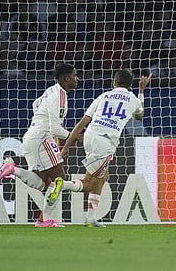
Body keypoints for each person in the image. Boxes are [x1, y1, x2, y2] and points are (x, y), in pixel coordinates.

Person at [48, 69, 151, 227]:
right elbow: (140, 116)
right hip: (105, 142)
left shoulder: (104, 96)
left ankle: (91, 218)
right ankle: (62, 184)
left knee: (103, 178)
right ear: (130, 85)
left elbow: (81, 124)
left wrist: (65, 147)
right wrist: (141, 91)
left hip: (89, 136)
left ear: (114, 82)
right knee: (90, 183)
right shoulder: (133, 99)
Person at [0, 63, 79, 227]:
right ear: (67, 78)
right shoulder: (59, 95)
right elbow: (54, 127)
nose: (77, 78)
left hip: (31, 137)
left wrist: (54, 138)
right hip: (41, 139)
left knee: (44, 183)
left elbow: (35, 105)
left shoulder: (50, 91)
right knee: (59, 180)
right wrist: (76, 137)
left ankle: (13, 169)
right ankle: (44, 219)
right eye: (75, 75)